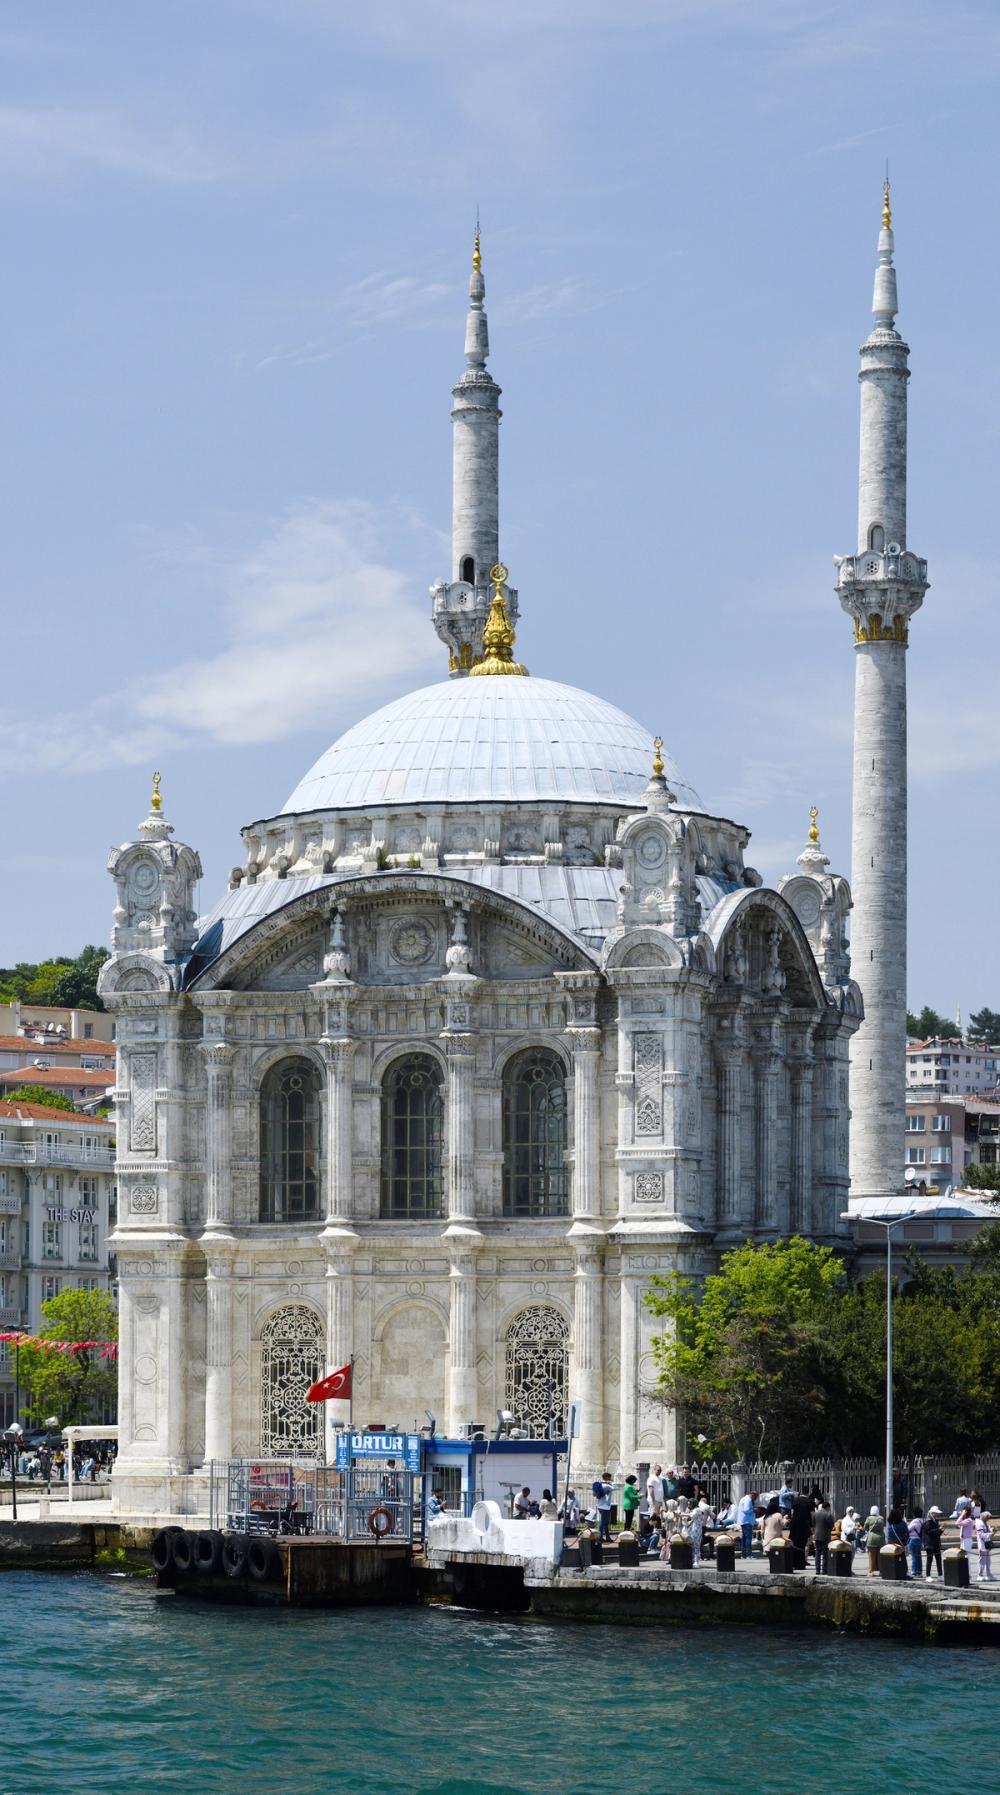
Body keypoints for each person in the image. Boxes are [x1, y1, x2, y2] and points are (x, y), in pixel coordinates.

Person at [789, 1493, 813, 1571]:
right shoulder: (810, 1502)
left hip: (795, 1526)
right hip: (804, 1526)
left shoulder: (795, 1501)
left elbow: (792, 1512)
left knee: (794, 1546)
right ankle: (801, 1564)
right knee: (802, 1546)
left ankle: (793, 1563)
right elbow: (812, 1515)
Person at [813, 1499, 834, 1576]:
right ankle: (824, 1570)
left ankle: (817, 1570)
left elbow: (813, 1524)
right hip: (825, 1536)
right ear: (828, 1507)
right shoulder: (828, 1515)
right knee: (825, 1553)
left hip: (817, 1535)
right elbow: (832, 1525)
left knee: (817, 1553)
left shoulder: (815, 1514)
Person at [923, 1506, 944, 1580]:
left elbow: (936, 1533)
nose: (937, 1514)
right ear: (932, 1513)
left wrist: (940, 1531)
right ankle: (928, 1576)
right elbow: (929, 1532)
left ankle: (940, 1575)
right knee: (930, 1559)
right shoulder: (928, 1521)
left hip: (935, 1543)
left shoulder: (935, 1521)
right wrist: (938, 1530)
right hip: (929, 1543)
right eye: (935, 1513)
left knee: (938, 1559)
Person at [736, 1489, 758, 1559]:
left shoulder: (744, 1499)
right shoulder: (748, 1500)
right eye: (755, 1497)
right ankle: (749, 1554)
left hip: (744, 1521)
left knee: (744, 1538)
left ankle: (744, 1554)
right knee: (748, 1538)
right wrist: (754, 1510)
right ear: (752, 1495)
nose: (755, 1499)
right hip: (747, 1521)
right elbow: (746, 1510)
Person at [864, 1507, 886, 1577]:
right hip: (881, 1539)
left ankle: (871, 1571)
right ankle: (881, 1571)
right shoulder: (881, 1518)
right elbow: (883, 1526)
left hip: (872, 1539)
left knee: (871, 1556)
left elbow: (865, 1527)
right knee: (880, 1557)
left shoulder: (869, 1518)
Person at [688, 1498, 710, 1566]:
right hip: (695, 1528)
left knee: (696, 1545)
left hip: (696, 1529)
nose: (688, 1505)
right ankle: (694, 1560)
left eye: (689, 1504)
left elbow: (691, 1516)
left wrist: (682, 1514)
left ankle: (696, 1561)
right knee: (694, 1545)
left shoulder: (697, 1510)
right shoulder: (697, 1510)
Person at [975, 1509, 994, 1582]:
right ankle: (980, 1575)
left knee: (988, 1561)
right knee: (982, 1561)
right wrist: (990, 1534)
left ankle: (988, 1574)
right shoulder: (980, 1524)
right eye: (988, 1518)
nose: (988, 1519)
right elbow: (981, 1535)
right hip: (983, 1545)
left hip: (987, 1545)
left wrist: (992, 1530)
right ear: (984, 1517)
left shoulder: (985, 1523)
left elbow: (988, 1530)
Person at [906, 1507, 924, 1580]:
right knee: (919, 1556)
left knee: (914, 1556)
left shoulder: (914, 1521)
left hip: (913, 1540)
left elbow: (908, 1529)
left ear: (914, 1514)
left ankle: (914, 1571)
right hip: (919, 1540)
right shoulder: (922, 1521)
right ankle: (919, 1571)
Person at [594, 1475, 613, 1540]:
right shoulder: (607, 1486)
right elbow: (616, 1488)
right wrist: (610, 1483)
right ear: (606, 1478)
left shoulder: (600, 1485)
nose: (611, 1478)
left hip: (600, 1505)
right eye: (610, 1477)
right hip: (605, 1506)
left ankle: (607, 1537)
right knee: (603, 1522)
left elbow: (594, 1494)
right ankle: (600, 1537)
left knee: (605, 1522)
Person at [958, 1502, 976, 1568]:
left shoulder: (968, 1520)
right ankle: (965, 1573)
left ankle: (969, 1575)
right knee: (963, 1557)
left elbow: (957, 1523)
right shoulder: (965, 1520)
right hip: (964, 1540)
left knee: (966, 1557)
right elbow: (959, 1525)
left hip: (967, 1540)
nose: (961, 1513)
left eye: (963, 1512)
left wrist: (961, 1515)